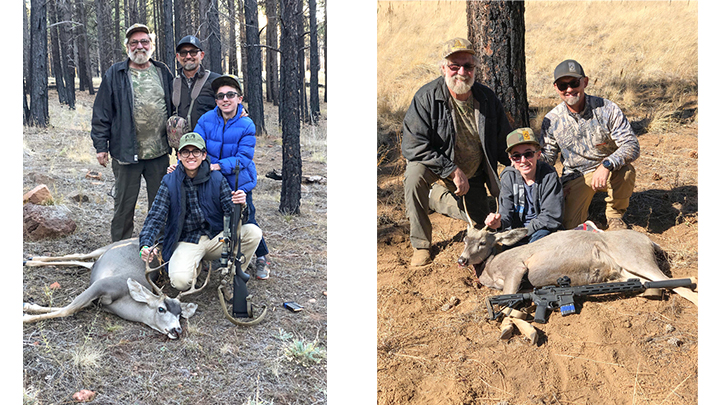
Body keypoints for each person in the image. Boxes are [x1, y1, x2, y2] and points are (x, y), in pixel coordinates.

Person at [401, 37, 512, 266]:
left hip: (474, 174)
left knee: (480, 224)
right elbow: (413, 145)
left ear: (474, 69)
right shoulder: (426, 97)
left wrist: (521, 162)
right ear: (443, 69)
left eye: (468, 66)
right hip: (438, 168)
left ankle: (436, 199)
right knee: (413, 176)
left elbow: (503, 142)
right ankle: (421, 245)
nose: (461, 72)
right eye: (454, 66)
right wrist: (451, 170)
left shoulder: (487, 98)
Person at [138, 133, 262, 299]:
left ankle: (229, 279)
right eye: (185, 152)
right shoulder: (169, 182)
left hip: (217, 237)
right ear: (179, 156)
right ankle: (194, 266)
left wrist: (241, 205)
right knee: (180, 282)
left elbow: (233, 216)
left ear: (204, 155)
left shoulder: (217, 178)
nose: (191, 156)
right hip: (187, 240)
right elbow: (155, 217)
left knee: (253, 233)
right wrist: (145, 244)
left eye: (196, 151)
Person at [91, 23, 173, 242]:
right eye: (134, 42)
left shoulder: (162, 71)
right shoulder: (116, 73)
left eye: (144, 41)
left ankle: (158, 246)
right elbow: (102, 112)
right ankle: (118, 247)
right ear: (127, 46)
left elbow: (178, 105)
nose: (139, 46)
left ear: (151, 45)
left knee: (161, 203)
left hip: (159, 153)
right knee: (124, 206)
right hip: (126, 153)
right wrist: (101, 146)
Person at [540, 59, 640, 231]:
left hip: (608, 170)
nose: (569, 89)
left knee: (626, 172)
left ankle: (614, 216)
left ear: (584, 82)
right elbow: (548, 158)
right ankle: (588, 218)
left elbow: (631, 144)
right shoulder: (552, 119)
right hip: (575, 176)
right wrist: (525, 157)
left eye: (574, 83)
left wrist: (607, 164)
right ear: (556, 88)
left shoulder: (607, 108)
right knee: (570, 228)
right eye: (563, 86)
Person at [193, 75, 271, 279]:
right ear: (216, 100)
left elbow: (243, 158)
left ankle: (261, 257)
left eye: (230, 94)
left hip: (238, 181)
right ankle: (221, 255)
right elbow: (197, 147)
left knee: (247, 220)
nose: (225, 99)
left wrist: (216, 166)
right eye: (220, 96)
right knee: (220, 219)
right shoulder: (205, 120)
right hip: (212, 180)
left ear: (240, 98)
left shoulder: (247, 124)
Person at [484, 128, 563, 245]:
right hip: (514, 234)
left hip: (541, 231)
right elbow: (506, 214)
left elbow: (551, 216)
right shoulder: (508, 177)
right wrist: (498, 223)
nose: (523, 160)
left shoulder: (549, 175)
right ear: (511, 159)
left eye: (528, 154)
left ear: (538, 154)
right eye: (516, 156)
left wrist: (525, 232)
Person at [171, 35, 221, 131]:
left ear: (201, 55)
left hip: (208, 144)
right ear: (178, 57)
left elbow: (232, 106)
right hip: (182, 144)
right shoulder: (172, 84)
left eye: (193, 52)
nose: (188, 56)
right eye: (183, 53)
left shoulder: (216, 81)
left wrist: (241, 110)